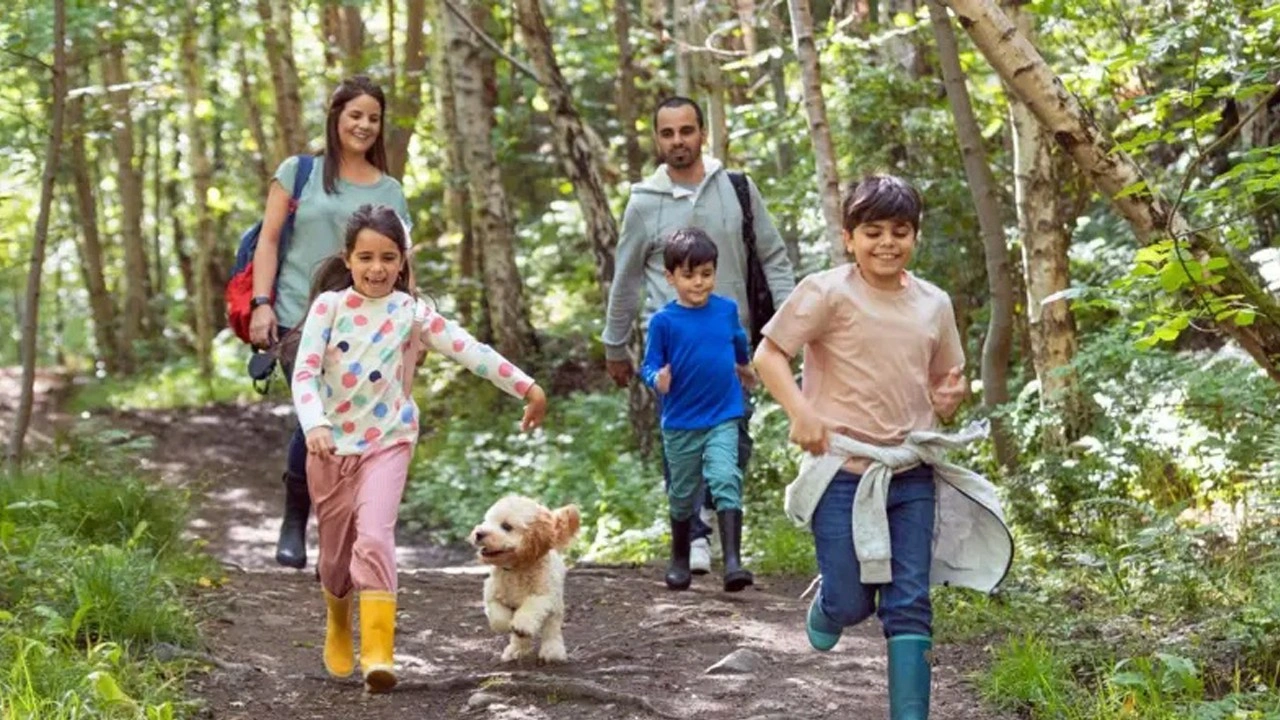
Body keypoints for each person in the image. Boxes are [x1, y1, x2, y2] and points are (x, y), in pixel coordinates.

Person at [753, 175, 1011, 719]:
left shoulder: (933, 304)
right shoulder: (826, 292)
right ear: (849, 237)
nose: (887, 243)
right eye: (873, 232)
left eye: (900, 231)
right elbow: (769, 355)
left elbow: (946, 384)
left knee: (910, 600)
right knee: (852, 603)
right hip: (841, 470)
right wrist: (801, 412)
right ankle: (830, 603)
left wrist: (950, 398)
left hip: (911, 471)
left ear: (915, 236)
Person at [291, 204, 547, 692]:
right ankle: (340, 620)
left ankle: (379, 654)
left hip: (388, 441)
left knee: (374, 538)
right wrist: (315, 423)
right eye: (365, 257)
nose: (377, 268)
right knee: (333, 558)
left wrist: (527, 387)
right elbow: (304, 373)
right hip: (330, 447)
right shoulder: (329, 308)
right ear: (348, 259)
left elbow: (470, 350)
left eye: (388, 257)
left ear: (402, 261)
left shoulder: (411, 313)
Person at [603, 96, 795, 574]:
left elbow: (771, 257)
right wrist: (614, 344)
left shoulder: (736, 188)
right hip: (674, 349)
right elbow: (625, 278)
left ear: (702, 133)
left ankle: (710, 515)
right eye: (667, 133)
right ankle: (695, 534)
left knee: (735, 441)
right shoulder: (644, 203)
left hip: (733, 345)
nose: (678, 141)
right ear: (656, 139)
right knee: (683, 440)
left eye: (686, 131)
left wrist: (790, 325)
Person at [247, 76, 412, 570]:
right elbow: (269, 240)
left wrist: (413, 328)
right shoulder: (299, 173)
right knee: (313, 416)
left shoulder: (390, 190)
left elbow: (402, 260)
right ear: (336, 116)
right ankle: (296, 517)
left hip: (370, 326)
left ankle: (344, 524)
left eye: (373, 118)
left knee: (354, 421)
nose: (363, 125)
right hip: (301, 315)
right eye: (355, 115)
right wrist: (261, 303)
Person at [638, 228, 755, 592]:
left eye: (706, 273)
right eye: (689, 275)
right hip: (682, 421)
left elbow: (737, 342)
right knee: (683, 491)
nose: (699, 283)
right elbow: (648, 365)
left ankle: (733, 562)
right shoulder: (664, 322)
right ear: (670, 278)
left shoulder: (726, 310)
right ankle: (679, 557)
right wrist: (658, 379)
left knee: (724, 477)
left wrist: (745, 367)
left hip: (723, 413)